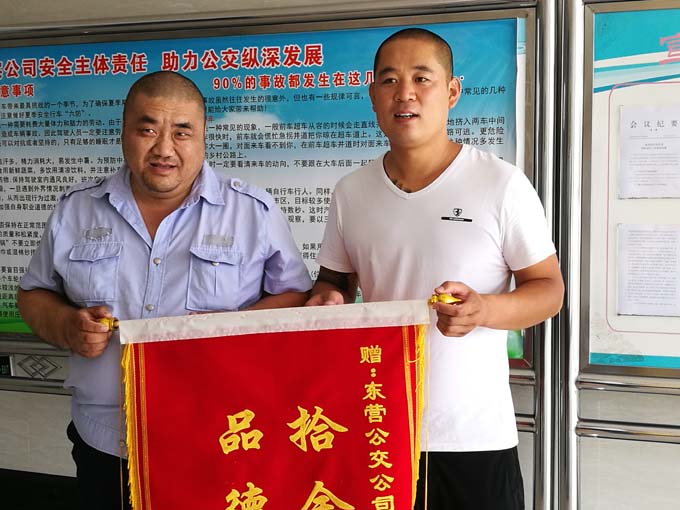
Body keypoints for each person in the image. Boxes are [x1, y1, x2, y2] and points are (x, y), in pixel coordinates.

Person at [17, 71, 312, 510]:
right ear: (124, 132)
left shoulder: (254, 212)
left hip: (222, 437)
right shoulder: (76, 210)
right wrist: (65, 325)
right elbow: (33, 294)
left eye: (182, 132)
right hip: (108, 443)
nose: (164, 149)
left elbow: (296, 299)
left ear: (203, 136)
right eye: (148, 129)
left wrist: (230, 331)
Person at [305, 28, 564, 509]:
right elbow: (335, 281)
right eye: (389, 80)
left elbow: (549, 290)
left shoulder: (500, 184)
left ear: (452, 92)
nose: (405, 93)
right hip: (378, 429)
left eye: (422, 78)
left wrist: (484, 310)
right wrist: (327, 298)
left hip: (474, 438)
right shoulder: (351, 191)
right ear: (373, 96)